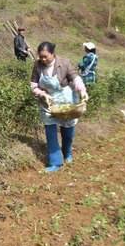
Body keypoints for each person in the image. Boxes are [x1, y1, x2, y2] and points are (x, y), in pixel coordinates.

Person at [30, 42, 88, 173]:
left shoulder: (65, 63)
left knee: (68, 130)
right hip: (48, 101)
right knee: (50, 131)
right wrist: (42, 94)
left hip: (65, 100)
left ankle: (67, 152)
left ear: (52, 54)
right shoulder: (37, 65)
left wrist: (82, 90)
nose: (43, 59)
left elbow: (75, 78)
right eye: (41, 57)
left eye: (46, 56)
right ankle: (55, 162)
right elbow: (33, 85)